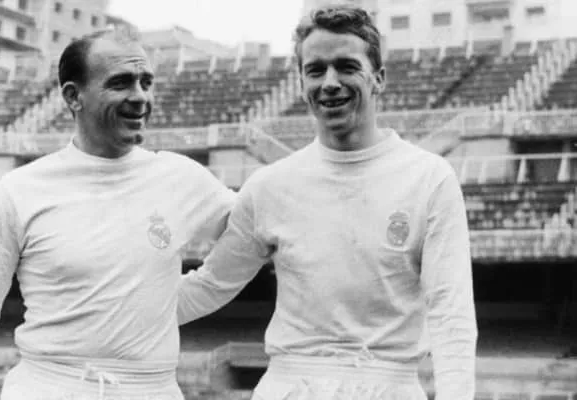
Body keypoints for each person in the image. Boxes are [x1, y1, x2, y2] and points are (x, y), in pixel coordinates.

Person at [178, 5, 478, 400]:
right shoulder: (271, 185)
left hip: (388, 385)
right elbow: (210, 284)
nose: (330, 83)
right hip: (291, 387)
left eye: (346, 67)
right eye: (316, 70)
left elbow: (451, 310)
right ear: (302, 81)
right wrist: (113, 304)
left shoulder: (429, 179)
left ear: (378, 78)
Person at [0, 26, 235, 400]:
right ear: (73, 96)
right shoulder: (21, 190)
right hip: (48, 388)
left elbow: (255, 236)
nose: (140, 97)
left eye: (146, 82)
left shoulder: (181, 178)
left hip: (151, 390)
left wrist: (176, 302)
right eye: (121, 83)